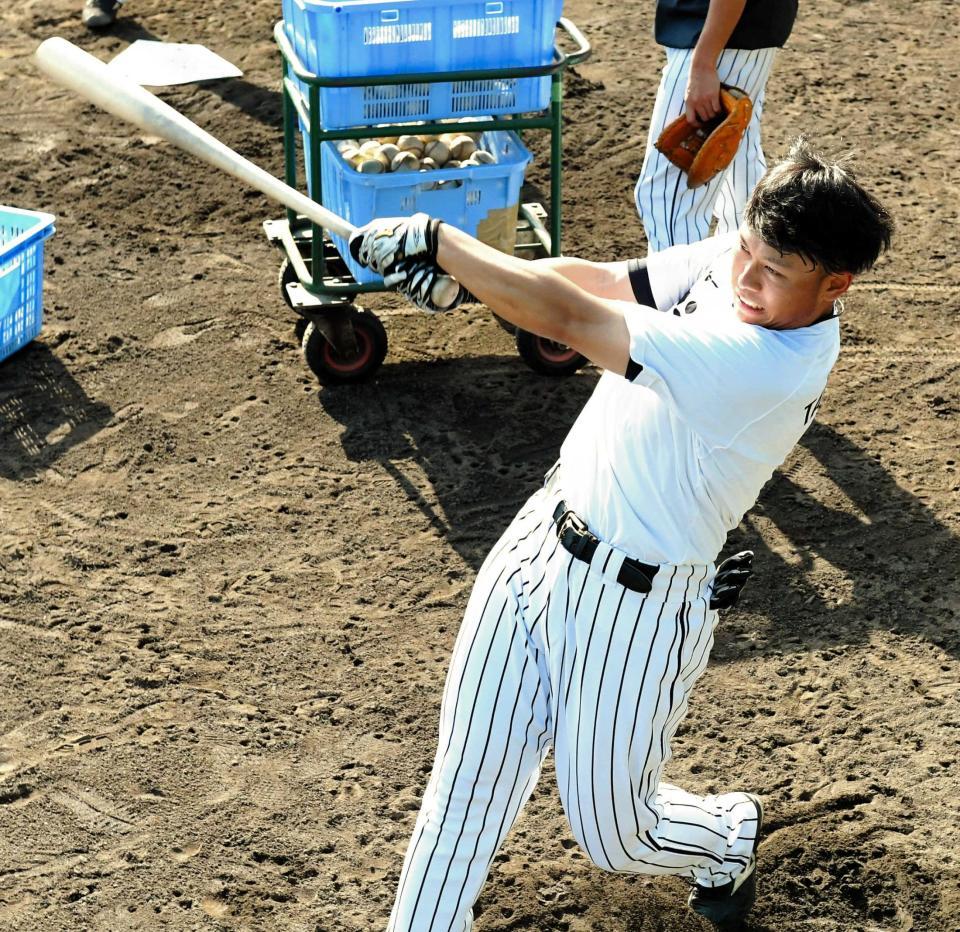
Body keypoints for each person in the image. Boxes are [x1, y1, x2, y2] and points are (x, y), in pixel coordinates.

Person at [348, 138, 893, 930]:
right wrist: (472, 283)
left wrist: (443, 246)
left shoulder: (767, 365)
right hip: (536, 543)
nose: (744, 276)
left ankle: (725, 835)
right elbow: (600, 283)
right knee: (463, 789)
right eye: (746, 248)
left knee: (615, 833)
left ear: (835, 284)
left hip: (634, 611)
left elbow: (573, 319)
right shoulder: (743, 263)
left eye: (773, 272)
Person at [636, 0, 798, 251]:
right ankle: (744, 283)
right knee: (740, 177)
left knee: (667, 196)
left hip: (719, 37)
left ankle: (681, 289)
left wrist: (704, 62)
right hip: (728, 34)